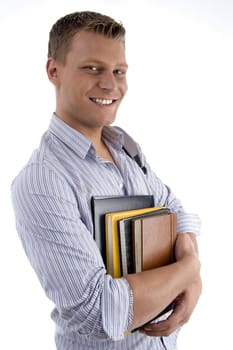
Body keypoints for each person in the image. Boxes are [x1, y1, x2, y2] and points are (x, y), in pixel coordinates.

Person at [11, 11, 202, 350]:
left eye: (119, 71)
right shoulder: (42, 181)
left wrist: (186, 251)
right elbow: (100, 311)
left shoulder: (125, 149)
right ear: (53, 71)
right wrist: (189, 271)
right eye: (92, 68)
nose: (110, 85)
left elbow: (173, 208)